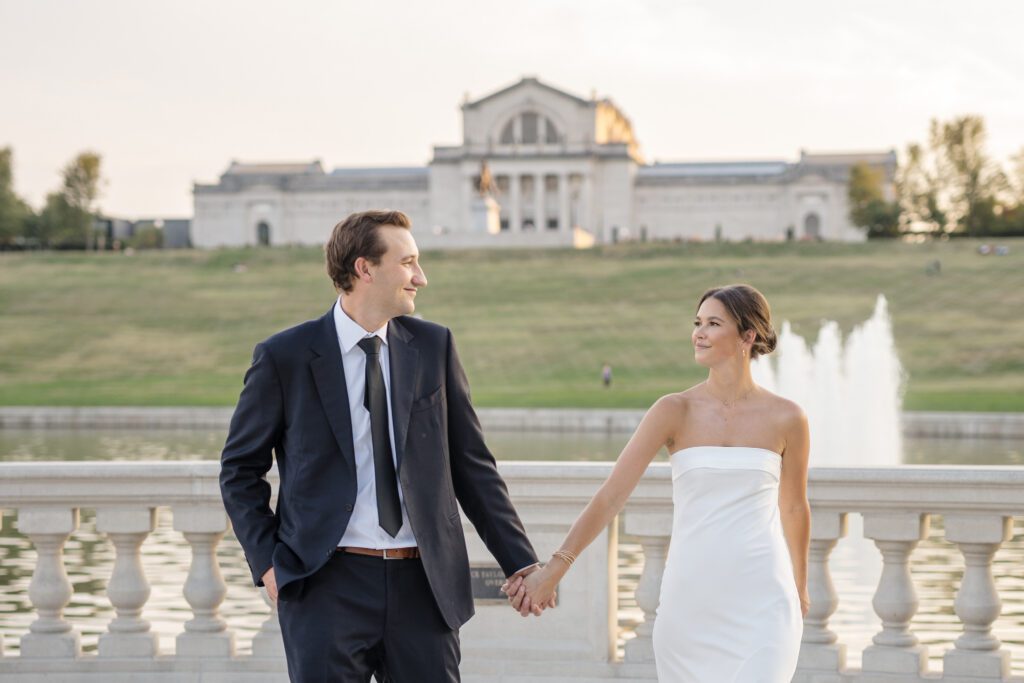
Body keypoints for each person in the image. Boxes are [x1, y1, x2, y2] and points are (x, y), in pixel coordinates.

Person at [220, 210, 543, 683]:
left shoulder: (434, 346)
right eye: (408, 262)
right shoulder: (283, 357)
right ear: (364, 269)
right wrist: (269, 564)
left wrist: (521, 562)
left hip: (424, 584)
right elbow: (239, 471)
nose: (421, 278)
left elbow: (472, 467)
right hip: (325, 586)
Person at [504, 284, 809, 682]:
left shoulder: (788, 418)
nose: (698, 333)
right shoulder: (673, 410)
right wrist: (556, 569)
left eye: (713, 324)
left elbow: (793, 506)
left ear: (747, 336)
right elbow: (612, 495)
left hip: (765, 600)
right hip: (690, 601)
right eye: (697, 323)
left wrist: (799, 587)